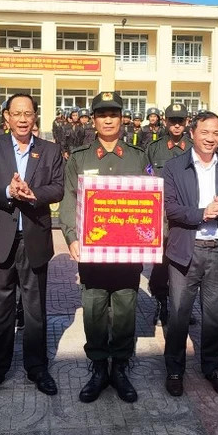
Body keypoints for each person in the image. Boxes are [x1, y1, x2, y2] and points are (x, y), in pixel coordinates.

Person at [0, 93, 64, 401]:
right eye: (17, 113)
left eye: (29, 113)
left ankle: (37, 368)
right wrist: (9, 191)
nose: (23, 119)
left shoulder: (50, 150)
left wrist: (32, 192)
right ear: (6, 117)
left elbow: (58, 188)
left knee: (35, 310)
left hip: (34, 239)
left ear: (35, 116)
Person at [60, 91, 150, 404]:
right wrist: (71, 236)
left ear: (122, 117)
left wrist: (153, 237)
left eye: (114, 113)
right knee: (95, 309)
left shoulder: (138, 157)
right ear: (93, 120)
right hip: (93, 254)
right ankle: (99, 367)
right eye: (102, 114)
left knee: (125, 308)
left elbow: (152, 201)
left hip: (127, 255)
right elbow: (69, 200)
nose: (108, 119)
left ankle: (120, 368)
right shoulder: (80, 157)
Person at [161, 111, 218, 397]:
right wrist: (202, 213)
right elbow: (170, 208)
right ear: (192, 133)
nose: (211, 138)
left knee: (213, 316)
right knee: (178, 315)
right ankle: (175, 369)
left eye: (216, 133)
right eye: (205, 132)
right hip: (184, 252)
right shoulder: (174, 167)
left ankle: (212, 366)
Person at [146, 102, 192, 325]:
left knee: (186, 260)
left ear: (186, 122)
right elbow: (145, 177)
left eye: (180, 121)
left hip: (186, 213)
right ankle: (162, 302)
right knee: (162, 260)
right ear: (165, 122)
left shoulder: (194, 148)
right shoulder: (154, 148)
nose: (176, 125)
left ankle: (183, 306)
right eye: (172, 121)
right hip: (161, 215)